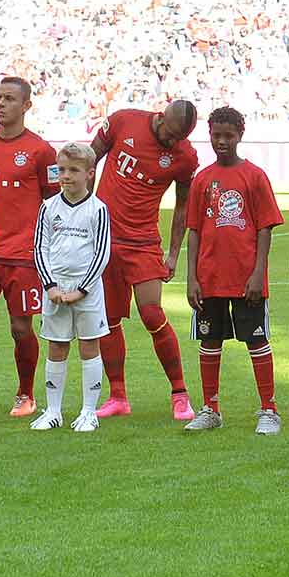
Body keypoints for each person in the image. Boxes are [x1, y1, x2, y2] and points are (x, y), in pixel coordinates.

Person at [88, 100, 199, 420]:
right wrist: (84, 213)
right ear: (161, 117)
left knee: (152, 313)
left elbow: (182, 207)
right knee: (107, 319)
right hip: (104, 239)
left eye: (180, 138)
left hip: (144, 242)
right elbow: (87, 162)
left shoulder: (185, 157)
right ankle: (118, 396)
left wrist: (174, 253)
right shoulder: (123, 121)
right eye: (170, 135)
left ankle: (180, 394)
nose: (172, 142)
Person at [182, 108, 283, 435]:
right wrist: (191, 277)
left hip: (246, 279)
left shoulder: (254, 176)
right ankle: (210, 408)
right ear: (209, 134)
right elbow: (194, 230)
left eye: (229, 135)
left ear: (241, 134)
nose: (222, 141)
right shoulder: (202, 178)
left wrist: (258, 273)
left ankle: (269, 409)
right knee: (210, 341)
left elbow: (265, 228)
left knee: (257, 341)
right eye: (216, 135)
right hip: (210, 278)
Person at [0, 77, 59, 418]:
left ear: (26, 105)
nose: (1, 104)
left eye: (9, 99)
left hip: (22, 254)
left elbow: (53, 202)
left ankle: (26, 394)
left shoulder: (41, 151)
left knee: (20, 328)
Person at [33, 142, 114, 433]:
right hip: (55, 288)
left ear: (89, 173)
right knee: (56, 346)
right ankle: (53, 411)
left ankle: (88, 412)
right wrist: (51, 286)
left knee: (89, 346)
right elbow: (40, 248)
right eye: (62, 169)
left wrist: (82, 289)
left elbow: (102, 253)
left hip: (87, 290)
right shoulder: (48, 207)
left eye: (74, 170)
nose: (66, 176)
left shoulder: (98, 209)